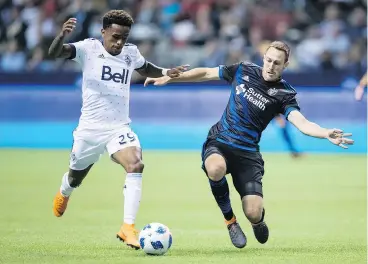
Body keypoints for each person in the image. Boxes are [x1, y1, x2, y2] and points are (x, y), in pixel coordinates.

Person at [144, 41, 354, 248]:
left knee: (253, 212)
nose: (271, 66)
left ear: (285, 65)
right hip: (220, 141)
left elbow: (302, 123)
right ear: (264, 58)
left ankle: (257, 220)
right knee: (215, 168)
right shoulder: (242, 69)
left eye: (277, 63)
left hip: (248, 155)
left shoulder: (285, 94)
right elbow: (206, 73)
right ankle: (230, 222)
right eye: (269, 60)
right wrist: (169, 79)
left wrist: (325, 132)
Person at [48, 10, 187, 249]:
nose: (119, 42)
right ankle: (65, 190)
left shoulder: (130, 53)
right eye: (115, 36)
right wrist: (61, 36)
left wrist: (165, 72)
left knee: (136, 164)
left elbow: (145, 68)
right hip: (90, 130)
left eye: (124, 37)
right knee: (75, 177)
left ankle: (127, 228)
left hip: (118, 127)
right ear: (103, 32)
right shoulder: (88, 49)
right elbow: (55, 53)